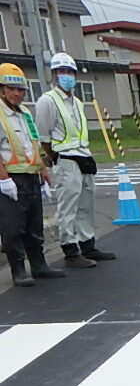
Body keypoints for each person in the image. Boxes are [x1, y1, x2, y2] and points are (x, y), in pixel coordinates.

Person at [35, 52, 115, 269]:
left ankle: (88, 244)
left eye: (70, 72)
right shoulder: (47, 101)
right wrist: (51, 157)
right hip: (65, 157)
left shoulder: (77, 102)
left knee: (86, 203)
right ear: (54, 75)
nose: (67, 76)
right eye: (62, 71)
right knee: (68, 205)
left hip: (83, 155)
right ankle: (70, 250)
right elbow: (43, 136)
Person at [0, 63, 64, 286]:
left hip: (30, 175)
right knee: (13, 226)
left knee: (33, 223)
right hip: (10, 178)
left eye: (21, 90)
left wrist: (43, 170)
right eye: (11, 89)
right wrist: (4, 179)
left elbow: (33, 144)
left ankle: (39, 265)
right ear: (1, 89)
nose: (17, 94)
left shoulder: (25, 113)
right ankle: (18, 271)